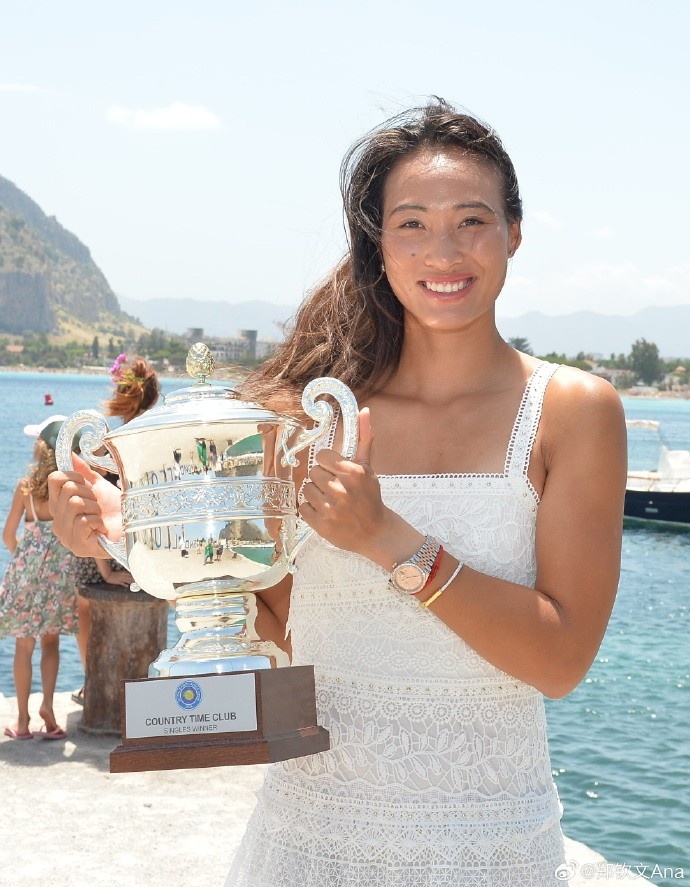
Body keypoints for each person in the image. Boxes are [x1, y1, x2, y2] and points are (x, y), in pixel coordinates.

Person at [48, 99, 627, 884]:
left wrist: (390, 540)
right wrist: (129, 537)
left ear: (514, 233)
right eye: (412, 224)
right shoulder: (310, 418)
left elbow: (560, 660)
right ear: (378, 244)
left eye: (473, 220)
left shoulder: (571, 410)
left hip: (488, 849)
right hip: (307, 843)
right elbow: (276, 625)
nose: (444, 250)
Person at [73, 354, 158, 702]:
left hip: (102, 553)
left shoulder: (103, 444)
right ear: (153, 395)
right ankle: (138, 694)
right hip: (140, 554)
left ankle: (92, 683)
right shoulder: (154, 438)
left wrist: (106, 572)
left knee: (85, 614)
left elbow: (93, 507)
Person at [0, 416, 80, 740]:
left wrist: (25, 558)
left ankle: (22, 722)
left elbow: (8, 535)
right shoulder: (68, 488)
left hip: (25, 574)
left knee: (24, 646)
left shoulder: (25, 487)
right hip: (58, 576)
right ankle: (48, 709)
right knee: (51, 643)